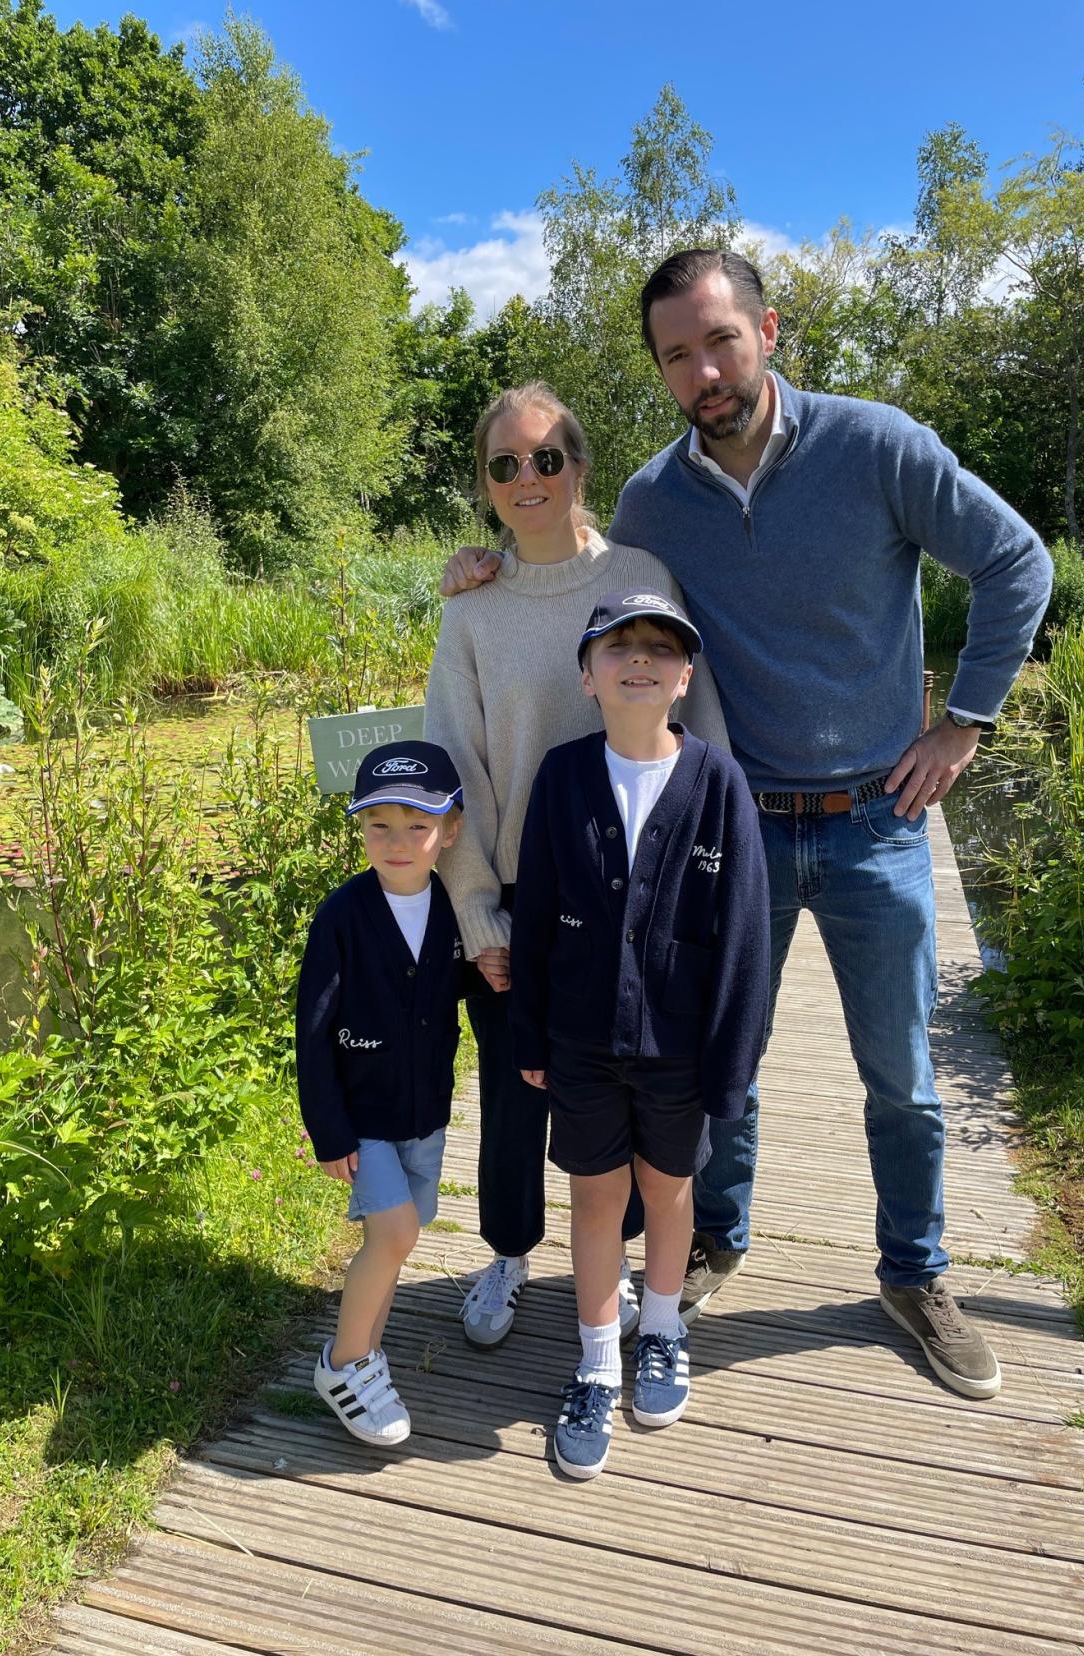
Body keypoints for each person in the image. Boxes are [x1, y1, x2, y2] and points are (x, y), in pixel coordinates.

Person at [441, 250, 1053, 1401]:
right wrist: (477, 567)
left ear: (768, 329)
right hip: (736, 828)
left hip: (880, 816)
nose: (704, 369)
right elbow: (588, 590)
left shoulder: (877, 447)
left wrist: (962, 726)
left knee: (903, 1076)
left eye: (720, 340)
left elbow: (1019, 560)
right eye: (678, 354)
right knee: (721, 1059)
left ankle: (914, 1274)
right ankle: (714, 1238)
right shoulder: (655, 504)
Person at [424, 382, 731, 1352]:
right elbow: (453, 764)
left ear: (582, 469)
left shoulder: (641, 574)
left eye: (547, 458)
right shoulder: (472, 609)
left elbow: (699, 726)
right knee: (515, 1095)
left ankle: (630, 1262)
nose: (528, 478)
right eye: (505, 463)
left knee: (634, 1091)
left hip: (640, 898)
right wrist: (476, 912)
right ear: (484, 481)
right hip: (520, 898)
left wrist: (704, 888)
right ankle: (510, 1254)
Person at [510, 589, 769, 1478]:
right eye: (619, 647)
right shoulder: (562, 775)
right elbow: (536, 912)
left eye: (662, 647)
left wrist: (731, 1064)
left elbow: (743, 933)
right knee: (594, 1200)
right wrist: (531, 1039)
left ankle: (659, 1329)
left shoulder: (719, 784)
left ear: (685, 677)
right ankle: (595, 1360)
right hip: (581, 1040)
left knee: (667, 1190)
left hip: (681, 1047)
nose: (641, 660)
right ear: (587, 675)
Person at [295, 739, 469, 1446]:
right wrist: (329, 1130)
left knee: (396, 1242)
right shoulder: (343, 915)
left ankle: (369, 1349)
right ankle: (342, 1364)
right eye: (379, 827)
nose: (397, 843)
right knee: (393, 1233)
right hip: (362, 1112)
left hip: (424, 1109)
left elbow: (450, 989)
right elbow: (311, 1030)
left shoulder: (455, 908)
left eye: (417, 826)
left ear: (449, 831)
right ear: (359, 829)